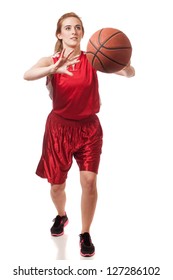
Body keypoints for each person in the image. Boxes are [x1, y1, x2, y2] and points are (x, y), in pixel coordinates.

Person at [23, 12, 135, 257]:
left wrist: (121, 63)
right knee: (56, 186)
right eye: (68, 28)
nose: (74, 31)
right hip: (58, 129)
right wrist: (53, 68)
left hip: (89, 129)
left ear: (83, 33)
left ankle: (85, 233)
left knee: (89, 182)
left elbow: (130, 73)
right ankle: (62, 216)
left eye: (78, 28)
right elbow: (27, 74)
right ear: (59, 34)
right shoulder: (50, 60)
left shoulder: (94, 59)